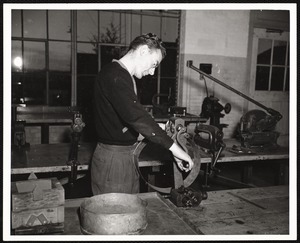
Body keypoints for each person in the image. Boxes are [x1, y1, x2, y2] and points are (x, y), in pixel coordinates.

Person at [91, 33, 194, 195]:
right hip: (115, 161)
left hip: (125, 156)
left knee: (130, 213)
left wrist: (158, 128)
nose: (152, 72)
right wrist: (176, 150)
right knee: (117, 216)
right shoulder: (115, 75)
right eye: (154, 64)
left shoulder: (121, 75)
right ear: (144, 51)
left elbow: (124, 122)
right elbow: (137, 117)